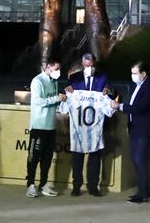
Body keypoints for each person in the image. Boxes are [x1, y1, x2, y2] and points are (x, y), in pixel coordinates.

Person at [111, 62, 150, 203]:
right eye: (132, 73)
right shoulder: (135, 85)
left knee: (140, 160)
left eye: (135, 73)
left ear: (143, 74)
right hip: (135, 128)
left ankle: (143, 195)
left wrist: (120, 106)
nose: (133, 76)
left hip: (145, 130)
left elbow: (139, 107)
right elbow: (131, 104)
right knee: (136, 160)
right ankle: (143, 191)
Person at [65, 52, 109, 196]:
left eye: (92, 64)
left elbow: (112, 95)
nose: (90, 66)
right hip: (78, 124)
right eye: (87, 64)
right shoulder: (74, 78)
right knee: (77, 156)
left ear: (94, 63)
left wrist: (109, 92)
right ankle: (76, 185)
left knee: (95, 156)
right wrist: (67, 91)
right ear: (82, 64)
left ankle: (93, 186)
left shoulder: (102, 77)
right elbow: (66, 96)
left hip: (95, 125)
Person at [26, 57, 67, 198]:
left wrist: (63, 103)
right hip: (38, 125)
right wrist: (56, 99)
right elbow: (37, 101)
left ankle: (43, 184)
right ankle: (30, 185)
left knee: (47, 158)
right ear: (48, 67)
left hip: (50, 126)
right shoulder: (37, 81)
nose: (58, 72)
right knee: (33, 157)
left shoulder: (54, 82)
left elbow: (54, 102)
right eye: (56, 69)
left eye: (59, 69)